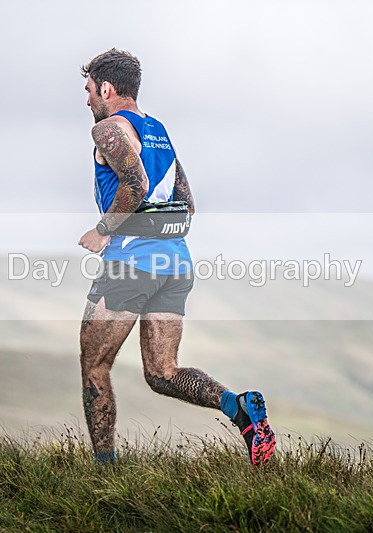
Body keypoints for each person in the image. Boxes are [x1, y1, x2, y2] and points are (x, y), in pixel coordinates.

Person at [77, 49, 275, 465]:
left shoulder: (108, 130)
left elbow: (135, 181)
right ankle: (239, 409)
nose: (88, 100)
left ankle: (103, 475)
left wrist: (103, 230)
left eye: (90, 90)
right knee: (162, 373)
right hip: (175, 263)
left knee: (95, 365)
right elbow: (188, 204)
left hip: (129, 264)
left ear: (107, 88)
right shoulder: (158, 131)